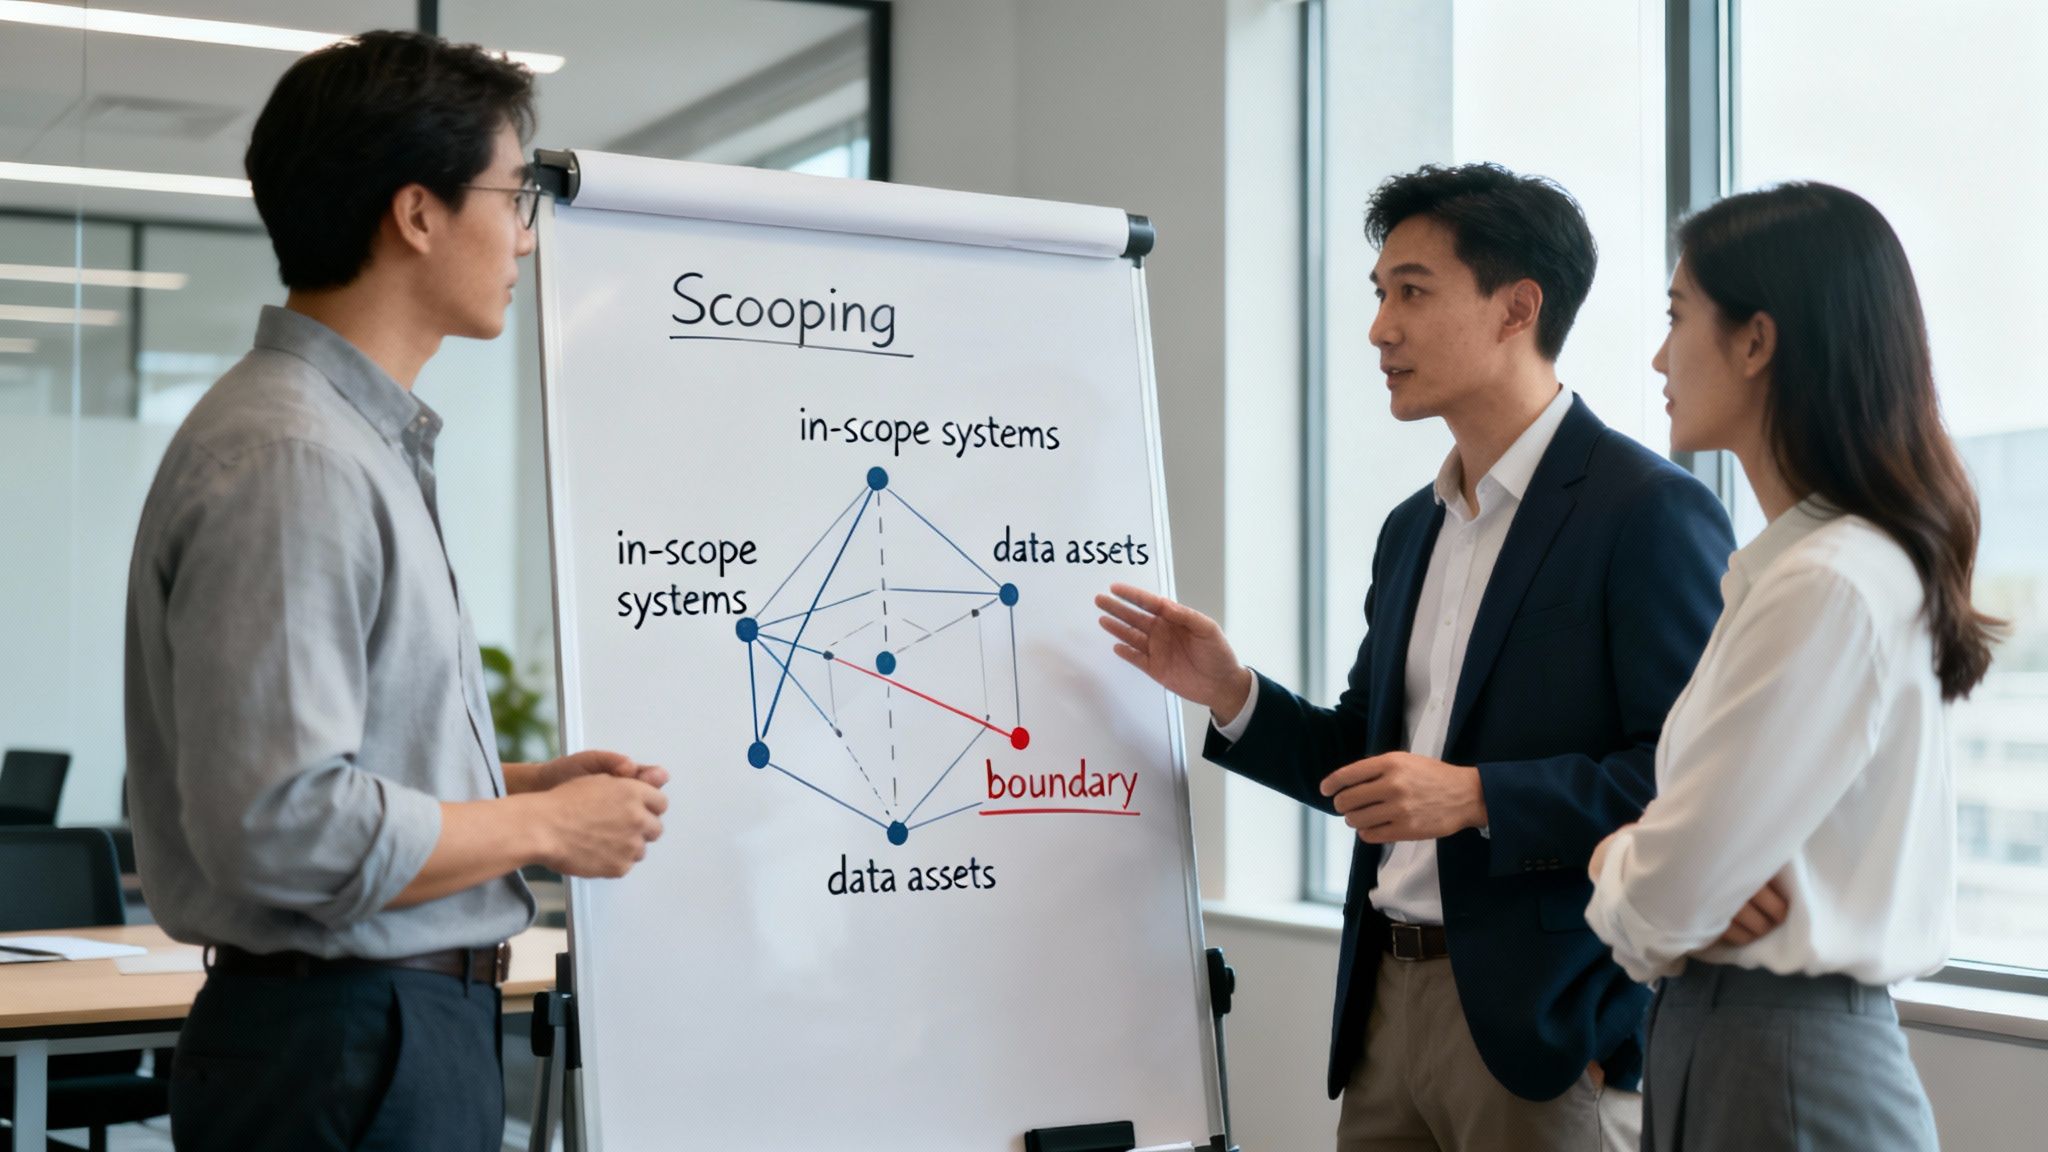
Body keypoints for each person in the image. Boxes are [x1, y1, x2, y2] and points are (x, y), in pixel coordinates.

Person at [1098, 163, 1732, 1151]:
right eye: (1379, 293)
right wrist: (1231, 693)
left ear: (1516, 308)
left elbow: (1689, 784)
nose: (1378, 329)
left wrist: (1477, 797)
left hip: (1545, 1033)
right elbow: (1372, 765)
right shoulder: (1411, 529)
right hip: (1384, 1013)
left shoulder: (1648, 513)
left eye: (1412, 292)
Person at [123, 31, 668, 1152]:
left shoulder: (344, 441)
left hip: (369, 1038)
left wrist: (512, 786)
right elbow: (282, 828)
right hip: (347, 1046)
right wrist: (542, 824)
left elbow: (330, 772)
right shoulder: (296, 458)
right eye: (513, 197)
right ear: (417, 214)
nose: (525, 237)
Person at [1585, 182, 1997, 1150]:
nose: (1658, 357)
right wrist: (1657, 866)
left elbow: (1662, 900)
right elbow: (1682, 887)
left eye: (1676, 317)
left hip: (1777, 1059)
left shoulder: (1826, 582)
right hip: (1742, 1045)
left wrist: (1615, 857)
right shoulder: (1804, 568)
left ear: (1756, 341)